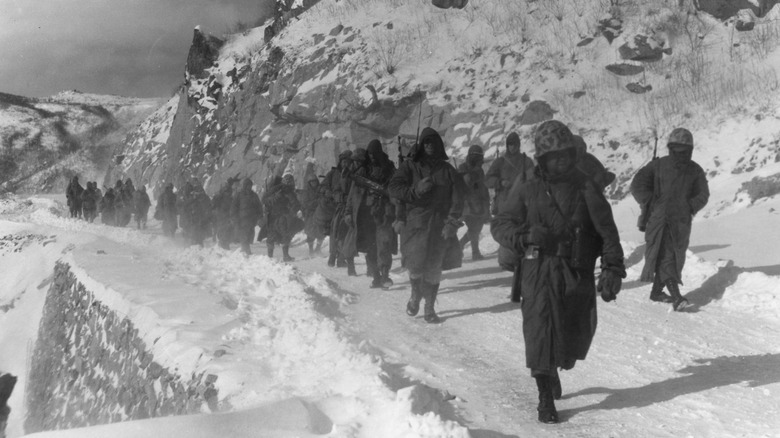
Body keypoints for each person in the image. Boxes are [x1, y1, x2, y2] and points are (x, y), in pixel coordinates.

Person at [490, 120, 626, 424]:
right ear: (543, 157)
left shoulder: (585, 184)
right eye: (554, 156)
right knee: (539, 329)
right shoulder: (527, 184)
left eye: (565, 154)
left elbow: (607, 231)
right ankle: (544, 395)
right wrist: (525, 237)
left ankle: (554, 367)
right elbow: (500, 224)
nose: (561, 160)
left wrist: (613, 267)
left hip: (574, 271)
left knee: (571, 335)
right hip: (536, 268)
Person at [388, 127, 464, 323]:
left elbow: (458, 199)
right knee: (415, 266)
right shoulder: (409, 166)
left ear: (439, 145)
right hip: (415, 226)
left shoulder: (448, 171)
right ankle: (415, 297)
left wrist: (452, 222)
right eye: (426, 142)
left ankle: (429, 308)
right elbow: (394, 188)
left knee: (434, 269)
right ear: (422, 145)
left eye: (433, 142)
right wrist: (415, 190)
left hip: (440, 228)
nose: (430, 146)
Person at [630, 127, 709, 311]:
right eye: (677, 150)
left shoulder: (695, 170)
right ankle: (676, 297)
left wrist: (689, 206)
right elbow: (638, 185)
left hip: (680, 223)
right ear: (671, 148)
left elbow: (703, 194)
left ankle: (656, 292)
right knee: (666, 256)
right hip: (659, 219)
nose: (681, 154)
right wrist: (650, 202)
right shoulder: (657, 165)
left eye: (684, 151)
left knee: (673, 256)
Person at [343, 139, 397, 288]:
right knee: (369, 247)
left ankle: (385, 275)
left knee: (384, 244)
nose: (372, 157)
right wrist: (348, 212)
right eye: (370, 154)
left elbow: (396, 189)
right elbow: (353, 193)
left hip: (384, 212)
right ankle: (376, 276)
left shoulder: (389, 168)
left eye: (375, 153)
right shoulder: (362, 170)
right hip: (365, 215)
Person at [487, 132, 536, 272]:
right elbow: (487, 180)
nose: (512, 147)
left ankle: (526, 261)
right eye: (510, 144)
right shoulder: (500, 162)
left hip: (524, 203)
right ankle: (508, 259)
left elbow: (533, 178)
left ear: (519, 145)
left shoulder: (527, 161)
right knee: (507, 230)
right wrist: (500, 182)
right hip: (505, 203)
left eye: (515, 144)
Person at [458, 145, 491, 261]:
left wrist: (487, 205)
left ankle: (460, 245)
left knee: (476, 228)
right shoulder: (463, 168)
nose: (479, 160)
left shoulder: (480, 170)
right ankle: (475, 252)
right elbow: (467, 182)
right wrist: (476, 170)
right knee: (473, 228)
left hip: (479, 204)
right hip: (468, 204)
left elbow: (483, 187)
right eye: (477, 158)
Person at [321, 150, 353, 268]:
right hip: (333, 207)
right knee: (335, 233)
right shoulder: (333, 174)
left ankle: (340, 258)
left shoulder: (353, 174)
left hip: (348, 207)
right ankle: (333, 256)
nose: (346, 164)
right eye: (344, 161)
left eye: (348, 162)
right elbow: (322, 187)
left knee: (343, 233)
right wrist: (330, 193)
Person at [263, 174, 302, 261]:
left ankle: (279, 256)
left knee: (279, 234)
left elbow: (295, 204)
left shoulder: (287, 191)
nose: (289, 183)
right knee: (277, 235)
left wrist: (294, 209)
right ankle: (276, 256)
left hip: (280, 215)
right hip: (276, 215)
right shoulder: (278, 190)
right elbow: (265, 200)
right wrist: (275, 197)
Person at [231, 178, 263, 255]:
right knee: (243, 236)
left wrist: (260, 216)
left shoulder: (254, 195)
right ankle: (246, 251)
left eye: (250, 185)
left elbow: (259, 207)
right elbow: (234, 207)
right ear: (244, 186)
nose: (249, 187)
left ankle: (244, 251)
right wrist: (234, 218)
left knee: (249, 236)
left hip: (251, 220)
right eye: (247, 185)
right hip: (241, 220)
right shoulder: (239, 195)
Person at [300, 173, 325, 256]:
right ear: (309, 183)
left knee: (321, 231)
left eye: (315, 181)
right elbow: (305, 204)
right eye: (312, 182)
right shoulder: (306, 192)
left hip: (320, 214)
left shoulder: (321, 189)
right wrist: (316, 202)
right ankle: (311, 250)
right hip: (310, 214)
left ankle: (318, 248)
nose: (313, 183)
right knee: (310, 232)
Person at [213, 177, 239, 250]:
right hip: (224, 214)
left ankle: (223, 245)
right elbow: (228, 203)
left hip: (223, 213)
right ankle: (223, 246)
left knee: (225, 229)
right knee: (225, 229)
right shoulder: (226, 192)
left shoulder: (224, 190)